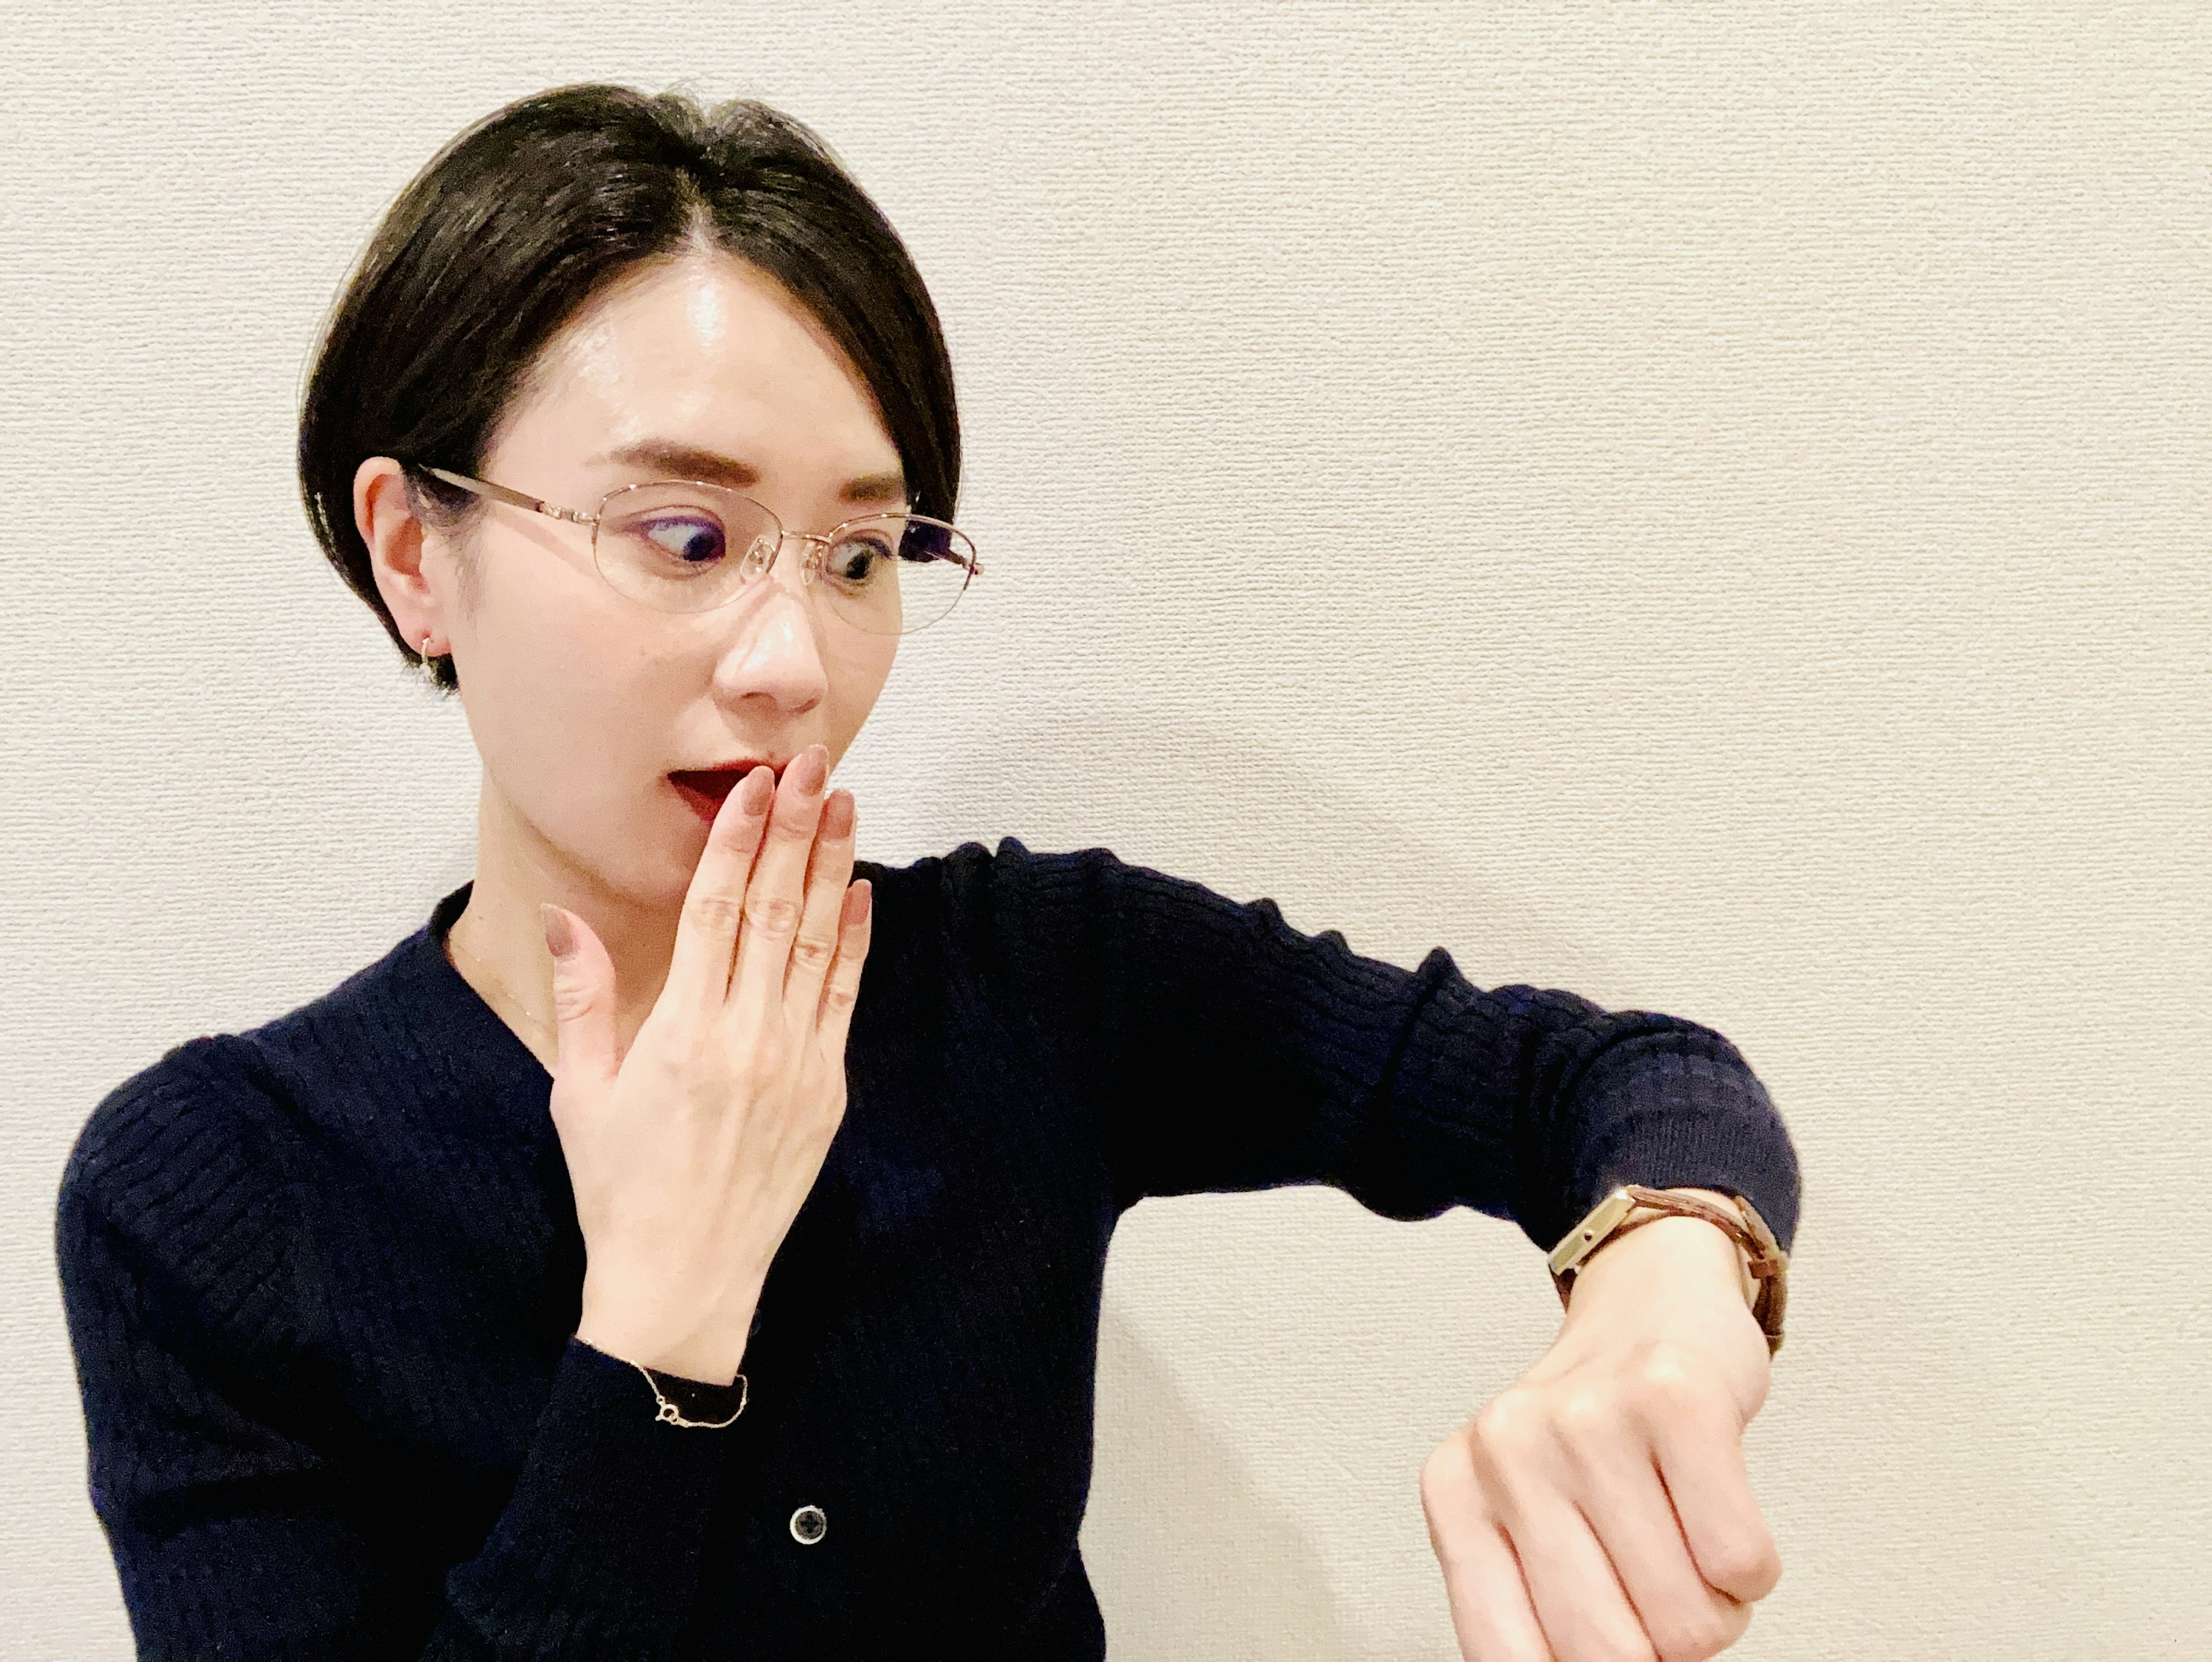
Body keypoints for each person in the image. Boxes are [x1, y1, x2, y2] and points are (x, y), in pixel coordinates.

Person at [54, 84, 1801, 1662]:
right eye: (687, 537)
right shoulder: (213, 1196)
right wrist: (662, 1324)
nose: (794, 664)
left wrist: (1665, 1297)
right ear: (413, 553)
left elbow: (1618, 1078)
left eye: (865, 554)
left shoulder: (1037, 982)